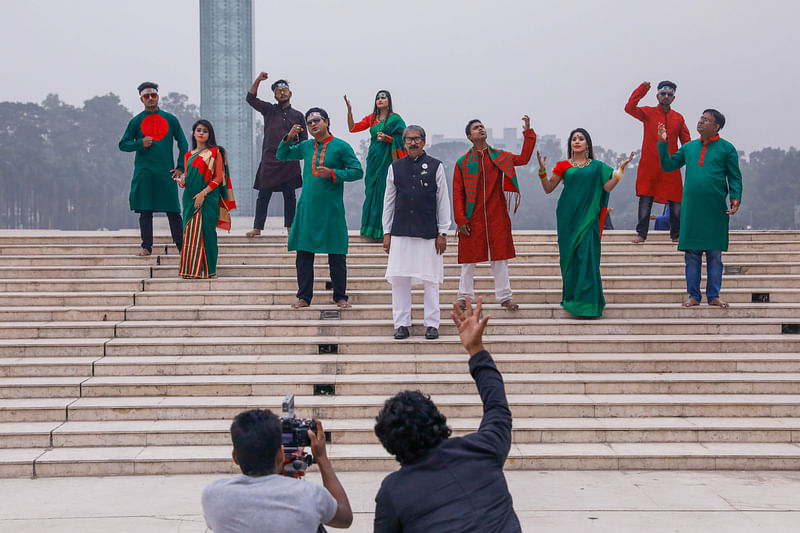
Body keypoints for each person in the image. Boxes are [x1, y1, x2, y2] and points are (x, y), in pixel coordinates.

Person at [373, 296, 521, 532]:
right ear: (438, 420)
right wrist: (476, 350)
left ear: (391, 445)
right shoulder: (483, 448)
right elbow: (497, 405)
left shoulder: (394, 491)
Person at [201, 409, 353, 532]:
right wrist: (322, 458)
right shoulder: (310, 494)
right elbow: (345, 518)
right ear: (281, 454)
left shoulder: (213, 495)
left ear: (235, 457)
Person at [538, 128, 634, 317]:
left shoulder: (597, 166)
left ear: (587, 143)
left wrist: (620, 170)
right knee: (571, 259)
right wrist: (542, 170)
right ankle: (572, 300)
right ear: (570, 144)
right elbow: (549, 188)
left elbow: (607, 187)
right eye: (574, 139)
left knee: (587, 256)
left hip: (589, 217)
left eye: (581, 138)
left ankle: (589, 303)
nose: (577, 141)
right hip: (567, 218)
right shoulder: (563, 165)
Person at [277, 108, 363, 309]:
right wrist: (288, 138)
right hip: (308, 208)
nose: (313, 125)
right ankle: (304, 297)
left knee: (337, 253)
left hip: (331, 209)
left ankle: (340, 296)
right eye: (309, 123)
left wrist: (333, 173)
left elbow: (357, 171)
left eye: (317, 120)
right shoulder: (306, 146)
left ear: (327, 121)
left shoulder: (341, 146)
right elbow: (282, 155)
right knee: (304, 254)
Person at [657, 109, 743, 308]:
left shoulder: (727, 149)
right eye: (701, 118)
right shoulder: (689, 148)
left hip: (715, 210)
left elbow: (735, 177)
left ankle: (713, 296)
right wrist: (663, 142)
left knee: (715, 255)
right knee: (692, 255)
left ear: (716, 126)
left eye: (706, 120)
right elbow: (668, 165)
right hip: (692, 211)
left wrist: (736, 198)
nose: (701, 122)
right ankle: (694, 295)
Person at [453, 116, 536, 311]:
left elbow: (523, 159)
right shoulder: (463, 162)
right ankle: (464, 297)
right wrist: (460, 218)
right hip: (472, 216)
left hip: (496, 213)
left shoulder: (499, 156)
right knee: (469, 259)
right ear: (469, 136)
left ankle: (505, 297)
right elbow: (457, 192)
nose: (480, 129)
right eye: (475, 127)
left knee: (500, 258)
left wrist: (528, 134)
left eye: (482, 126)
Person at [382, 125, 451, 340]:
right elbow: (388, 202)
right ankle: (401, 323)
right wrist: (386, 231)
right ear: (404, 143)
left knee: (430, 280)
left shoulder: (436, 166)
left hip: (427, 232)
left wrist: (443, 232)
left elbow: (443, 201)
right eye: (409, 139)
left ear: (424, 141)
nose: (413, 143)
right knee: (400, 279)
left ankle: (432, 324)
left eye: (417, 139)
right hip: (401, 231)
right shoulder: (395, 167)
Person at [119, 82, 187, 256]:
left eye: (153, 95)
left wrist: (180, 167)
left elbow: (183, 143)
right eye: (146, 96)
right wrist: (139, 143)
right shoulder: (136, 121)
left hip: (166, 172)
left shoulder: (170, 119)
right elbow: (123, 144)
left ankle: (182, 246)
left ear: (157, 96)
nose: (150, 99)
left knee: (173, 210)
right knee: (145, 209)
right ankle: (146, 246)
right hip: (145, 172)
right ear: (141, 99)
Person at [625, 80, 691, 243]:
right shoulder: (648, 113)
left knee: (676, 201)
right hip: (650, 165)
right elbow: (629, 108)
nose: (666, 97)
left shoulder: (678, 118)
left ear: (673, 98)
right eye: (663, 94)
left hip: (670, 165)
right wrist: (643, 88)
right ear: (657, 95)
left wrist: (690, 160)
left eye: (669, 94)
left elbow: (687, 142)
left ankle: (676, 235)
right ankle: (641, 234)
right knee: (645, 200)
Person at [246, 72, 307, 237]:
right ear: (274, 95)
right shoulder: (269, 110)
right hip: (270, 158)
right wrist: (258, 80)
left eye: (284, 90)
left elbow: (304, 141)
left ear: (290, 93)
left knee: (290, 195)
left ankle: (291, 228)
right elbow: (250, 99)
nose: (282, 92)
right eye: (278, 91)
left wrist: (297, 153)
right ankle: (257, 228)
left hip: (289, 160)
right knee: (263, 194)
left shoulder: (298, 116)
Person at [174, 120, 236, 279]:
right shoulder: (188, 155)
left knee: (207, 233)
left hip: (208, 198)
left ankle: (209, 271)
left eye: (205, 131)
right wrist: (182, 181)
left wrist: (203, 193)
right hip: (189, 199)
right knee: (189, 233)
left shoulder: (216, 153)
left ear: (210, 134)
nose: (201, 133)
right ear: (194, 133)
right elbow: (188, 178)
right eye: (199, 130)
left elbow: (218, 177)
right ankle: (191, 270)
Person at [344, 90, 406, 240]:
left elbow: (405, 138)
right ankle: (370, 230)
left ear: (389, 101)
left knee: (385, 191)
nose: (380, 100)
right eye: (377, 98)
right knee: (371, 192)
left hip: (388, 159)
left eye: (383, 98)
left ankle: (385, 230)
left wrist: (389, 139)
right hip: (373, 158)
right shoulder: (372, 119)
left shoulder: (395, 119)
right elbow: (353, 128)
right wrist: (350, 111)